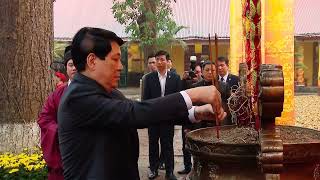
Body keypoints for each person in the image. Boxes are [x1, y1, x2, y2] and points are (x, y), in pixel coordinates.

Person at [57, 27, 226, 180]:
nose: (121, 66)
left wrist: (196, 112)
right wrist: (192, 94)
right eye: (115, 59)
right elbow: (133, 113)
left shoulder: (107, 91)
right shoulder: (78, 97)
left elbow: (147, 113)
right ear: (92, 61)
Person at [37, 46, 77, 180]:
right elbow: (44, 119)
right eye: (71, 64)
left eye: (77, 64)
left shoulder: (94, 93)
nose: (74, 68)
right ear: (66, 67)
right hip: (62, 152)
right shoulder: (57, 94)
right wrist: (60, 130)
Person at [143, 50, 181, 180]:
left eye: (162, 59)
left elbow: (178, 99)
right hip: (153, 118)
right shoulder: (149, 78)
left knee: (168, 145)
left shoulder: (175, 78)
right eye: (157, 59)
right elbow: (145, 100)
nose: (159, 62)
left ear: (167, 61)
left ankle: (169, 172)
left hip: (168, 118)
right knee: (153, 144)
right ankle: (153, 169)